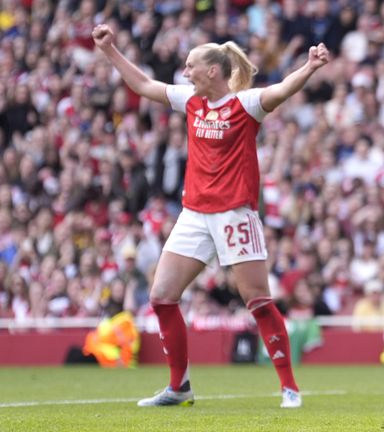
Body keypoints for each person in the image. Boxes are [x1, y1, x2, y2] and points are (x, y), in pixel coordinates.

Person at [91, 24, 329, 408]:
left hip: (235, 215)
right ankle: (179, 387)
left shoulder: (245, 104)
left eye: (191, 66)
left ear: (213, 71)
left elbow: (282, 89)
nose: (185, 73)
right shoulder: (190, 100)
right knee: (162, 297)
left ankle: (289, 387)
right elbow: (144, 85)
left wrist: (310, 67)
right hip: (194, 214)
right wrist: (109, 50)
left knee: (258, 301)